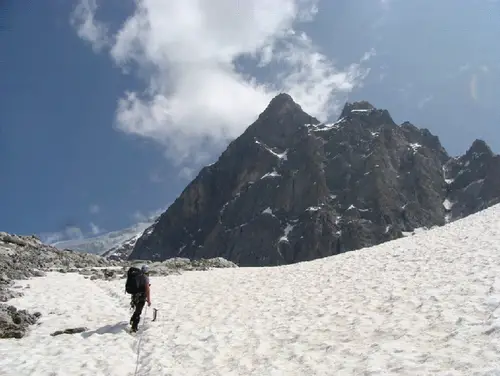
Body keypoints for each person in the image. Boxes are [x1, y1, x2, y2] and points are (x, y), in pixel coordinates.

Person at [129, 264, 151, 332]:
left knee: (137, 310)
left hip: (134, 296)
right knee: (138, 312)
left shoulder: (137, 276)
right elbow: (147, 289)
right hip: (141, 297)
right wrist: (149, 300)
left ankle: (132, 320)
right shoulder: (145, 277)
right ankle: (134, 328)